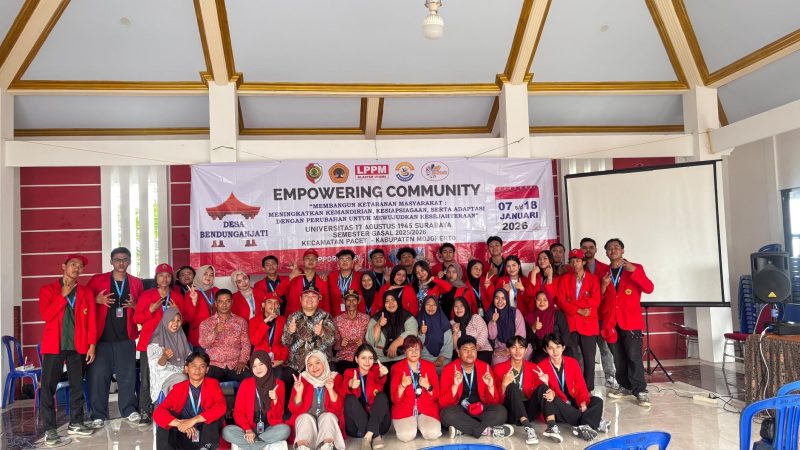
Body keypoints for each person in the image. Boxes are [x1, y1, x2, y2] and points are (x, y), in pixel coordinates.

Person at [39, 254, 97, 445]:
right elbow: (47, 315)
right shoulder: (48, 290)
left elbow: (91, 321)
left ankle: (76, 423)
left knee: (77, 386)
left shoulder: (86, 292)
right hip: (54, 346)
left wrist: (92, 346)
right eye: (73, 264)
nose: (76, 268)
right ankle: (50, 429)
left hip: (78, 347)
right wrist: (62, 295)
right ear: (63, 266)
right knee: (48, 388)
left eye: (80, 266)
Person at [86, 247, 144, 427]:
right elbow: (83, 301)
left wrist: (135, 306)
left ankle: (129, 410)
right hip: (101, 339)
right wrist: (95, 300)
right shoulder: (98, 279)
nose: (121, 263)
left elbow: (142, 309)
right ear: (111, 261)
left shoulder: (136, 283)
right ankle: (98, 414)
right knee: (98, 377)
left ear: (129, 262)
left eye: (125, 259)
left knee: (127, 377)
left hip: (125, 338)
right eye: (117, 259)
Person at [602, 238, 655, 407]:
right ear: (606, 253)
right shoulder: (604, 272)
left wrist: (634, 272)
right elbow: (600, 298)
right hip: (611, 322)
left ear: (623, 251)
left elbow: (649, 288)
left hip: (630, 321)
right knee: (618, 358)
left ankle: (640, 390)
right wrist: (603, 286)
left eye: (616, 247)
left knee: (634, 357)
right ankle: (624, 386)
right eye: (610, 248)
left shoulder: (635, 267)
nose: (613, 250)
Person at [134, 262, 186, 425]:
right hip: (150, 344)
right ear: (156, 278)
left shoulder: (177, 296)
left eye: (168, 275)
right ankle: (145, 411)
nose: (164, 278)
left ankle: (170, 410)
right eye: (161, 275)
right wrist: (150, 310)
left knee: (174, 375)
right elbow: (136, 319)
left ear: (171, 279)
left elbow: (183, 322)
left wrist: (178, 310)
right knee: (147, 378)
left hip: (172, 343)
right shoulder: (146, 295)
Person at [537, 333, 610, 442]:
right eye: (550, 348)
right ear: (545, 350)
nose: (555, 351)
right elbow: (543, 393)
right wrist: (547, 384)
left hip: (573, 403)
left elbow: (581, 386)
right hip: (558, 406)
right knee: (553, 400)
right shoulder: (541, 366)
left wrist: (583, 402)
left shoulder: (572, 363)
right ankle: (593, 422)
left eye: (558, 347)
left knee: (597, 400)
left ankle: (585, 425)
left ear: (563, 347)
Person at [439, 336, 513, 439]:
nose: (470, 353)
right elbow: (443, 403)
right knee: (446, 414)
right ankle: (488, 431)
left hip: (480, 409)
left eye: (473, 349)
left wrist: (490, 386)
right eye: (465, 349)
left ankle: (462, 428)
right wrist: (455, 386)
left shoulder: (485, 367)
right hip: (460, 410)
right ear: (458, 352)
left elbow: (495, 402)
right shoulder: (448, 369)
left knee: (501, 412)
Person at [153, 351, 227, 450]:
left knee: (212, 419)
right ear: (186, 368)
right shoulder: (178, 388)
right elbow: (158, 412)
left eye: (202, 366)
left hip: (205, 434)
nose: (197, 370)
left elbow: (221, 407)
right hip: (183, 432)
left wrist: (193, 420)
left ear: (207, 369)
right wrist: (179, 423)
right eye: (193, 366)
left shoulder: (213, 384)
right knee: (165, 423)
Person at [494, 335, 558, 445]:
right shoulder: (498, 368)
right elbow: (495, 401)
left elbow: (541, 394)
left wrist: (546, 384)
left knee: (543, 388)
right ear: (508, 350)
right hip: (511, 412)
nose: (518, 351)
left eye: (521, 347)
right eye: (514, 347)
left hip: (529, 411)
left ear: (526, 350)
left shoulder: (533, 368)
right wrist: (504, 385)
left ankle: (552, 426)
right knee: (512, 387)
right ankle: (528, 428)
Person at [223, 350, 291, 450]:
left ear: (268, 364)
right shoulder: (246, 384)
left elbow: (278, 416)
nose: (258, 369)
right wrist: (248, 430)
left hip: (269, 429)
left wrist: (275, 400)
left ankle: (251, 446)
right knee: (226, 432)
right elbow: (238, 413)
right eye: (254, 366)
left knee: (285, 430)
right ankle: (264, 446)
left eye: (261, 364)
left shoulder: (279, 384)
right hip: (249, 428)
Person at [555, 249, 601, 391]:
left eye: (578, 261)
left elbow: (595, 301)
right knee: (572, 358)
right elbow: (561, 301)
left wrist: (573, 303)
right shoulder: (565, 279)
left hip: (588, 324)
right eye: (572, 261)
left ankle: (589, 388)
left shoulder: (593, 279)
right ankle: (573, 386)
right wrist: (579, 309)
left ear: (584, 262)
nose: (575, 264)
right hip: (571, 324)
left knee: (589, 359)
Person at [581, 237, 619, 391]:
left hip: (601, 315)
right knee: (583, 350)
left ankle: (610, 376)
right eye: (584, 247)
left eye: (591, 247)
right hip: (583, 316)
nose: (588, 250)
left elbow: (609, 293)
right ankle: (583, 379)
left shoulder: (605, 268)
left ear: (596, 250)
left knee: (605, 348)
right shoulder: (575, 268)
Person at [288, 351, 345, 450]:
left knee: (328, 416)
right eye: (310, 365)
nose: (314, 367)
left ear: (324, 363)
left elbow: (339, 408)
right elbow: (294, 410)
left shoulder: (335, 378)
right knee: (305, 417)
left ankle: (327, 445)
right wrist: (299, 392)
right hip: (307, 420)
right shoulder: (301, 379)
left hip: (327, 421)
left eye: (317, 362)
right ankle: (302, 446)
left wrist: (331, 389)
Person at [389, 336, 442, 442]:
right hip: (404, 409)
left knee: (433, 434)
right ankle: (414, 426)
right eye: (410, 349)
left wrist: (428, 386)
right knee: (406, 436)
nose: (414, 352)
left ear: (421, 350)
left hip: (426, 409)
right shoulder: (397, 368)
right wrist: (402, 386)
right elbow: (395, 399)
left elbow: (436, 396)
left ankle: (419, 425)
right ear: (405, 351)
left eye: (417, 349)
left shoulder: (430, 366)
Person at [339, 344, 391, 450]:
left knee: (382, 396)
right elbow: (345, 385)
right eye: (363, 358)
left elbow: (380, 377)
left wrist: (382, 374)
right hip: (356, 427)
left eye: (370, 358)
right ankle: (375, 436)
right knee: (349, 399)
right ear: (356, 359)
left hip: (380, 424)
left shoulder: (376, 370)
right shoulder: (349, 372)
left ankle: (367, 437)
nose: (367, 361)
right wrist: (351, 383)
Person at [250, 292, 293, 415]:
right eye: (269, 302)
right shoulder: (254, 321)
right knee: (258, 383)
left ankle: (278, 412)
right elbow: (254, 340)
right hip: (259, 361)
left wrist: (281, 359)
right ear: (263, 305)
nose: (273, 305)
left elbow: (286, 343)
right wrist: (265, 323)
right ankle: (260, 412)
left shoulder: (283, 320)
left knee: (279, 381)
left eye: (276, 303)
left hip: (276, 361)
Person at [199, 289, 252, 382]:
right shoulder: (206, 323)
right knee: (205, 379)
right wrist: (215, 332)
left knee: (250, 378)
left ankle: (241, 397)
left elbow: (246, 344)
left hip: (235, 364)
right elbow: (203, 344)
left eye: (227, 301)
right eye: (221, 302)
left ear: (232, 302)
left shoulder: (241, 322)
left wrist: (243, 361)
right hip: (214, 365)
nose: (224, 305)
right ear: (216, 303)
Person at [282, 287, 337, 373]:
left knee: (333, 372)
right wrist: (290, 332)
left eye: (313, 296)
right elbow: (285, 342)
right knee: (286, 377)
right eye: (306, 295)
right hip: (297, 365)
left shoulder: (326, 316)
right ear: (300, 299)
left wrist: (323, 333)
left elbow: (333, 341)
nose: (309, 298)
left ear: (319, 299)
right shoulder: (292, 317)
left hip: (321, 363)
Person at [147, 307, 191, 404]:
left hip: (183, 373)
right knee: (182, 379)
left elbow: (189, 357)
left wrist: (187, 366)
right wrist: (164, 357)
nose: (175, 324)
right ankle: (172, 412)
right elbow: (157, 367)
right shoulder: (156, 341)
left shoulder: (181, 336)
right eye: (172, 320)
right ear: (166, 320)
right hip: (165, 376)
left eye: (178, 320)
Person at [365, 292, 418, 364]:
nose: (391, 303)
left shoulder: (406, 316)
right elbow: (371, 341)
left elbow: (412, 333)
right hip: (380, 360)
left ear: (397, 301)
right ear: (384, 303)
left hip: (403, 358)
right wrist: (378, 324)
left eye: (393, 300)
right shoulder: (376, 318)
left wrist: (395, 344)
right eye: (387, 301)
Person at [276, 249, 331, 315]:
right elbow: (277, 293)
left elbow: (326, 303)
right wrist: (290, 277)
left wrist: (326, 319)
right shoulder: (293, 278)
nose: (311, 260)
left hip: (315, 320)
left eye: (313, 258)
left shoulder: (322, 280)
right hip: (294, 319)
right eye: (307, 258)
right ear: (303, 261)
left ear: (317, 262)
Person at [527, 291, 574, 362]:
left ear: (549, 300)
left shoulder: (557, 314)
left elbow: (565, 333)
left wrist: (558, 349)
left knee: (568, 356)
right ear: (535, 300)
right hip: (542, 350)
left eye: (545, 300)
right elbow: (527, 339)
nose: (542, 303)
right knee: (537, 359)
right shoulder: (530, 317)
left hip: (559, 347)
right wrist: (533, 328)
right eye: (539, 300)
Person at [486, 288, 530, 365]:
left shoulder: (515, 312)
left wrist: (510, 349)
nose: (500, 301)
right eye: (497, 298)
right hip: (500, 348)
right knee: (497, 362)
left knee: (528, 351)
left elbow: (521, 334)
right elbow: (492, 337)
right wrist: (493, 322)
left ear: (507, 299)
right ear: (493, 299)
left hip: (517, 345)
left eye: (503, 298)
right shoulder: (490, 313)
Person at [333, 290, 370, 373]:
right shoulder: (337, 320)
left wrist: (363, 343)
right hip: (344, 357)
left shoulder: (366, 319)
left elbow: (371, 341)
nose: (351, 303)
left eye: (354, 300)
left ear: (358, 301)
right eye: (348, 300)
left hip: (362, 355)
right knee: (347, 373)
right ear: (344, 301)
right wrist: (341, 343)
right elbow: (335, 346)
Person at [185, 265, 219, 348]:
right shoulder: (191, 293)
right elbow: (188, 318)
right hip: (199, 336)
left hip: (216, 336)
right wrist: (193, 302)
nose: (208, 277)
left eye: (211, 275)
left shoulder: (216, 290)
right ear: (199, 275)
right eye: (205, 274)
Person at [450, 297, 493, 364]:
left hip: (481, 351)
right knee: (455, 362)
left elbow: (483, 335)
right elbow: (454, 346)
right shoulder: (452, 323)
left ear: (466, 307)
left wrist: (472, 351)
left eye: (461, 306)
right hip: (462, 354)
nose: (459, 309)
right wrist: (455, 332)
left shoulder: (475, 318)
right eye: (456, 307)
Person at [417, 295, 453, 373]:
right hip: (423, 358)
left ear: (438, 307)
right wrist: (421, 333)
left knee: (445, 371)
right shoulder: (417, 321)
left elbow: (448, 343)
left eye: (434, 305)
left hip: (443, 357)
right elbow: (415, 345)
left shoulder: (443, 322)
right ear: (423, 306)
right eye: (428, 304)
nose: (431, 307)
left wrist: (441, 358)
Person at [329, 249, 364, 316]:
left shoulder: (360, 276)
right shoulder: (331, 276)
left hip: (355, 314)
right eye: (342, 259)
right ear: (338, 262)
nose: (344, 262)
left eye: (348, 259)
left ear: (352, 262)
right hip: (336, 314)